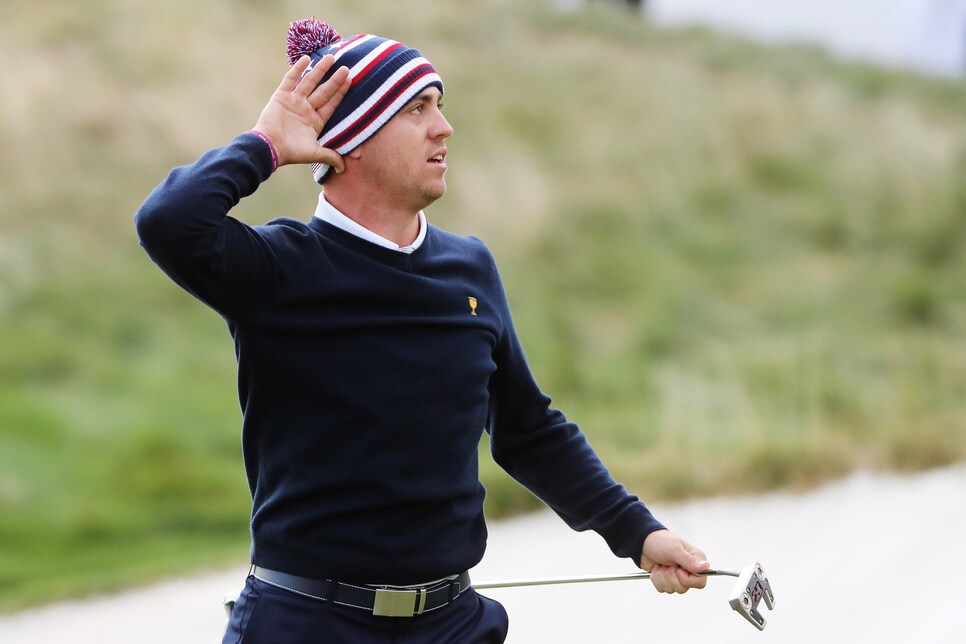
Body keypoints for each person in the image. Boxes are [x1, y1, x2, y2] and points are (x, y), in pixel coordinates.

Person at [135, 17, 710, 644]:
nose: (444, 127)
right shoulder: (280, 269)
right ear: (354, 138)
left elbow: (527, 428)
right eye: (418, 108)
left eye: (439, 105)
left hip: (453, 625)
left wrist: (639, 533)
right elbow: (169, 221)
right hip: (305, 625)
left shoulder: (469, 267)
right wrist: (267, 144)